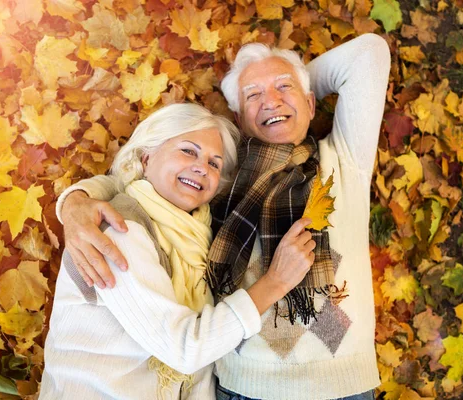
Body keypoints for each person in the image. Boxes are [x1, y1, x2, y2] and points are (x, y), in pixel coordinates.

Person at [57, 33, 391, 400]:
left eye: (284, 89)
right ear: (238, 117)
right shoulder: (221, 178)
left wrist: (285, 79)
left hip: (343, 385)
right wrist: (76, 201)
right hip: (244, 387)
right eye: (253, 96)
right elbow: (138, 179)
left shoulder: (343, 160)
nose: (272, 101)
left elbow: (368, 54)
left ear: (313, 104)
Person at [40, 103, 316, 400]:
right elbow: (184, 350)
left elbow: (198, 376)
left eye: (214, 163)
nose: (201, 167)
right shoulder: (119, 231)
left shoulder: (200, 236)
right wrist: (276, 282)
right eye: (188, 150)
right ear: (146, 158)